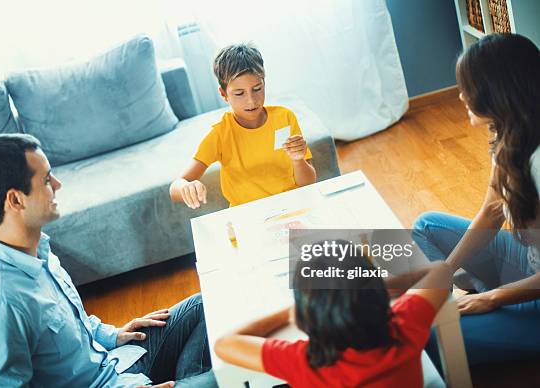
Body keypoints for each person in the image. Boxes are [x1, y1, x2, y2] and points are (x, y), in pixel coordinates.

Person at [0, 134, 217, 387]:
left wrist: (112, 334)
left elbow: (68, 324)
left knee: (206, 303)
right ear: (16, 199)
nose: (58, 184)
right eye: (47, 179)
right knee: (238, 370)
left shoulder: (37, 248)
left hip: (115, 363)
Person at [412, 33, 540, 365]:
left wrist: (494, 299)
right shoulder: (508, 135)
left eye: (468, 87)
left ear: (498, 90)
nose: (461, 96)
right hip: (529, 264)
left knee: (429, 335)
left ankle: (491, 302)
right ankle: (479, 295)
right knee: (426, 226)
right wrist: (444, 271)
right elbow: (491, 213)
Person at [214, 241, 452, 388]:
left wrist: (295, 309)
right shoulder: (405, 324)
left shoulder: (304, 361)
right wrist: (368, 286)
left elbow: (225, 344)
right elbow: (441, 269)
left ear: (305, 316)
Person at [169, 43, 316, 209]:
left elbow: (308, 181)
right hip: (248, 215)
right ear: (223, 94)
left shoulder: (285, 118)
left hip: (293, 206)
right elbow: (175, 187)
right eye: (239, 93)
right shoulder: (220, 134)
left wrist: (298, 160)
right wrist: (186, 187)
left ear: (264, 84)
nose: (251, 101)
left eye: (257, 89)